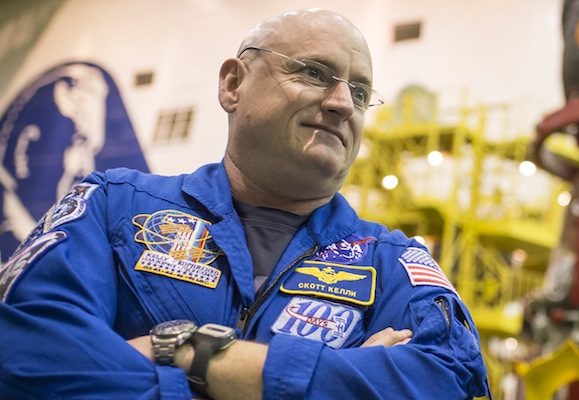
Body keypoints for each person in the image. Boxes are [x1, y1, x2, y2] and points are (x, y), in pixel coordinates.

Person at [0, 8, 490, 400]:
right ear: (232, 84)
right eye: (315, 73)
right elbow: (27, 354)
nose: (342, 103)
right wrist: (327, 379)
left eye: (360, 93)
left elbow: (452, 380)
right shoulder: (113, 206)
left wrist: (195, 355)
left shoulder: (392, 262)